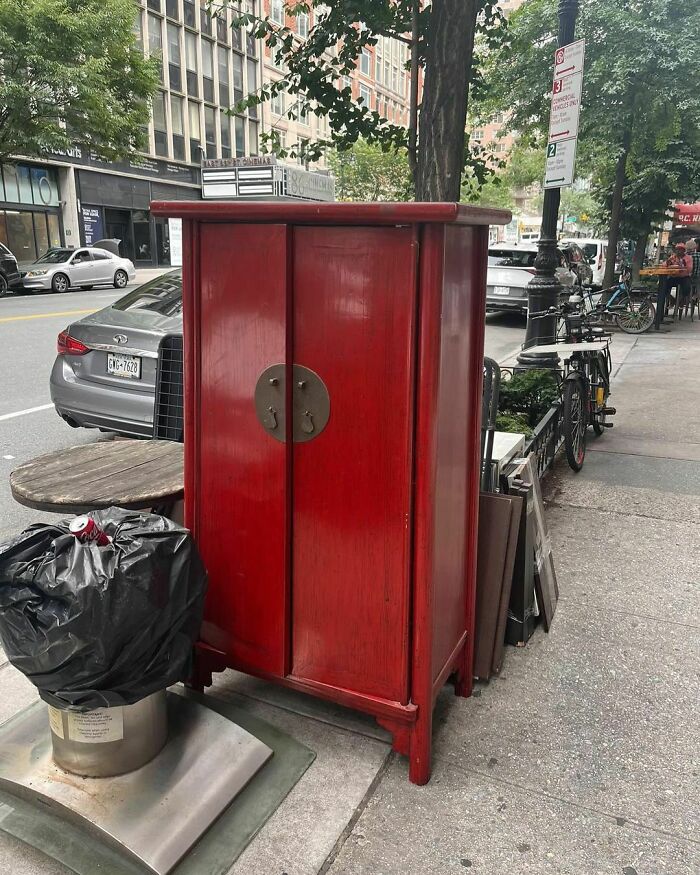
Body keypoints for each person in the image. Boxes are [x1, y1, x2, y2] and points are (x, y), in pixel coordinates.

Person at [654, 242, 693, 330]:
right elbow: (664, 265)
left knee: (687, 287)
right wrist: (668, 262)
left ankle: (681, 301)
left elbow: (689, 268)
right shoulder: (673, 257)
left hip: (684, 276)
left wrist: (681, 264)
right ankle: (671, 300)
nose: (679, 251)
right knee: (664, 287)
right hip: (673, 276)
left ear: (684, 250)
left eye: (680, 249)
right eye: (677, 249)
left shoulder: (688, 258)